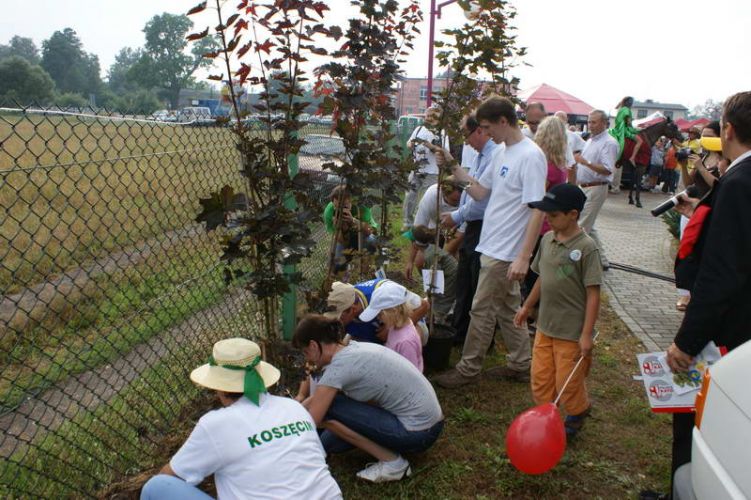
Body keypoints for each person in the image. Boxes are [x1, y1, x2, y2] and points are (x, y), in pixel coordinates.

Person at [665, 91, 751, 500]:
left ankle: (687, 486)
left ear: (728, 130)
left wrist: (686, 341)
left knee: (694, 414)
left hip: (728, 328)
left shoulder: (739, 181)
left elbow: (723, 273)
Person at [431, 95, 547, 388]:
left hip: (506, 250)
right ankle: (522, 364)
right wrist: (454, 168)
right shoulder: (502, 153)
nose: (484, 132)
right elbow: (481, 192)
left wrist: (524, 256)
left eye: (486, 126)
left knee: (481, 309)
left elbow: (537, 209)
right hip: (491, 243)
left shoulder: (531, 156)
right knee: (508, 308)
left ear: (503, 121)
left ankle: (468, 370)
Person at [140, 338, 341, 500]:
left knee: (157, 486)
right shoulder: (293, 408)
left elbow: (172, 475)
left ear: (218, 385)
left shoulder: (215, 424)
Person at [293, 315, 444, 482]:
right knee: (329, 444)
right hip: (431, 423)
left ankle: (394, 463)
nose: (307, 359)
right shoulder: (353, 348)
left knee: (330, 409)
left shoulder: (337, 369)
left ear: (314, 345)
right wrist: (302, 405)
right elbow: (318, 399)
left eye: (305, 352)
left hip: (418, 434)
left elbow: (311, 421)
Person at [514, 183, 602, 438]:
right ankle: (546, 415)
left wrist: (585, 335)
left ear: (573, 214)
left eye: (553, 216)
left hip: (571, 332)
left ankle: (577, 412)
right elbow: (543, 277)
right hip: (545, 326)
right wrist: (527, 306)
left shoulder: (587, 248)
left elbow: (593, 294)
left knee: (568, 381)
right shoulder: (547, 240)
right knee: (540, 377)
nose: (548, 220)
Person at [439, 113, 497, 344]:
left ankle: (476, 338)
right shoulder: (480, 156)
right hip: (472, 225)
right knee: (465, 282)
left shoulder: (493, 156)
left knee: (475, 284)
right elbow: (469, 186)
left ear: (480, 131)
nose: (465, 140)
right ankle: (460, 331)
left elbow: (481, 199)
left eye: (466, 134)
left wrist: (457, 216)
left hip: (483, 227)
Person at [522, 116, 570, 301]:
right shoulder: (560, 164)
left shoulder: (546, 167)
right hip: (549, 225)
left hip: (539, 226)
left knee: (533, 274)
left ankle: (530, 310)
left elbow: (537, 198)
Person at [574, 110, 620, 269]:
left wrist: (585, 162)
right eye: (589, 121)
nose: (590, 125)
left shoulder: (609, 142)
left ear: (604, 123)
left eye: (594, 122)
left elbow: (608, 169)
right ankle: (602, 260)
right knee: (590, 227)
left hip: (596, 187)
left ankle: (577, 262)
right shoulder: (591, 140)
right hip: (585, 187)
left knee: (581, 226)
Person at [323, 280, 426, 344]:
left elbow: (424, 306)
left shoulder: (383, 291)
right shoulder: (343, 299)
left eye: (339, 317)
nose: (335, 321)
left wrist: (393, 330)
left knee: (409, 336)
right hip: (372, 339)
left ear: (352, 309)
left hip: (407, 325)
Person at [359, 280, 424, 371]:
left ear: (394, 311)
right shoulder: (395, 326)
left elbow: (411, 374)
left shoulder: (406, 342)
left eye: (380, 314)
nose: (378, 318)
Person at [405, 176, 462, 280]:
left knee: (453, 261)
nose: (457, 203)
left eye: (459, 200)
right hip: (434, 231)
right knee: (421, 261)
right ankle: (432, 288)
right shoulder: (432, 195)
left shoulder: (467, 197)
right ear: (443, 193)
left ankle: (454, 286)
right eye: (454, 200)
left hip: (459, 232)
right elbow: (418, 228)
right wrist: (410, 261)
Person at [402, 106, 450, 230]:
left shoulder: (441, 132)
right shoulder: (419, 129)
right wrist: (410, 144)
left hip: (432, 171)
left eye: (431, 116)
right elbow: (409, 142)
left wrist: (430, 146)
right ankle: (407, 223)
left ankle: (423, 225)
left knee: (427, 199)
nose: (428, 118)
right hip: (416, 168)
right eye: (427, 115)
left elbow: (445, 151)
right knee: (410, 196)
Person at [323, 185, 378, 273]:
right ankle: (347, 269)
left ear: (351, 201)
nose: (340, 210)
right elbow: (342, 242)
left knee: (371, 241)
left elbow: (369, 231)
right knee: (337, 264)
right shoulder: (329, 212)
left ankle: (365, 269)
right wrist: (338, 228)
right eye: (337, 207)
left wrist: (353, 220)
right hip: (346, 239)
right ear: (333, 203)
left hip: (363, 236)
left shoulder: (361, 207)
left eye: (344, 206)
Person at [412, 225, 458, 325]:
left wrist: (431, 298)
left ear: (415, 244)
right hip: (447, 274)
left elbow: (435, 282)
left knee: (442, 299)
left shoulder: (429, 256)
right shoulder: (429, 249)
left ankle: (438, 320)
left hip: (451, 277)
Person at [608, 97, 643, 194]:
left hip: (617, 129)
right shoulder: (627, 110)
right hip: (624, 131)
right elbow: (628, 124)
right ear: (630, 103)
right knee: (640, 141)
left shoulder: (621, 109)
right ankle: (632, 157)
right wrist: (637, 129)